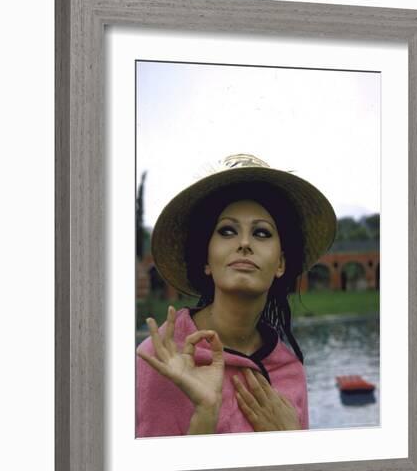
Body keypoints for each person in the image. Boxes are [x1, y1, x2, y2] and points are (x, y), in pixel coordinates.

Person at [136, 154, 336, 436]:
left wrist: (292, 438)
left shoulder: (290, 372)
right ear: (206, 259)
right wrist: (205, 415)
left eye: (262, 233)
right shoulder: (158, 360)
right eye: (227, 231)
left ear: (280, 264)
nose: (244, 243)